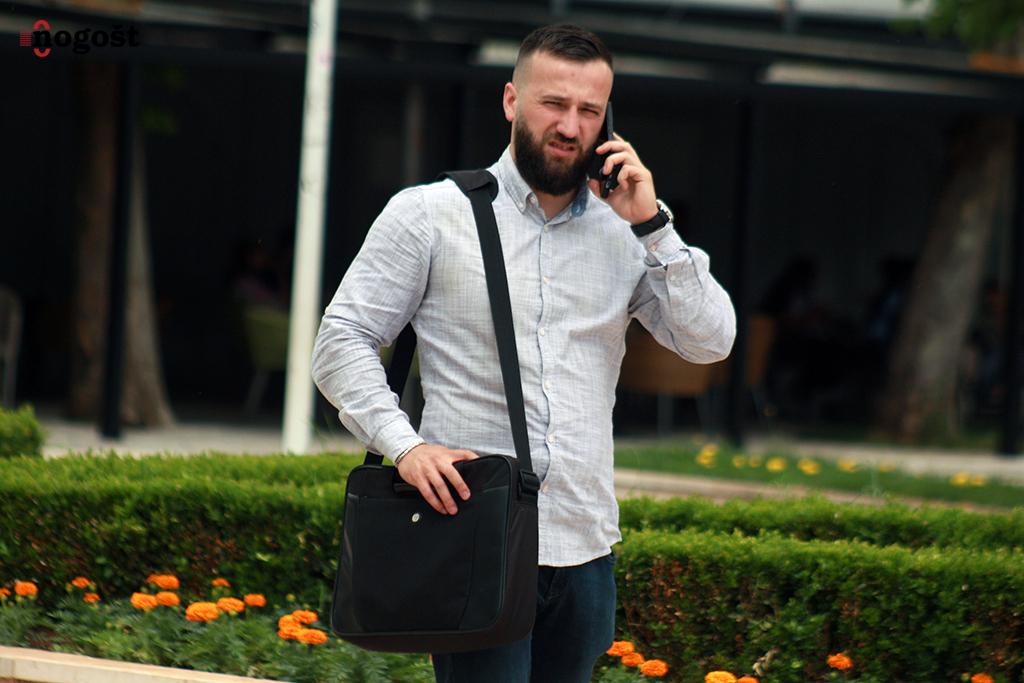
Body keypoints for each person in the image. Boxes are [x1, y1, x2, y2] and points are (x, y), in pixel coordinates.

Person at [311, 23, 735, 682]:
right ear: (512, 101)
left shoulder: (629, 232)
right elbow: (342, 339)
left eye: (589, 110)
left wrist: (654, 225)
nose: (570, 125)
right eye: (553, 103)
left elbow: (710, 340)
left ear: (608, 121)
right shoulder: (429, 214)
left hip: (586, 545)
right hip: (473, 535)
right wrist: (407, 446)